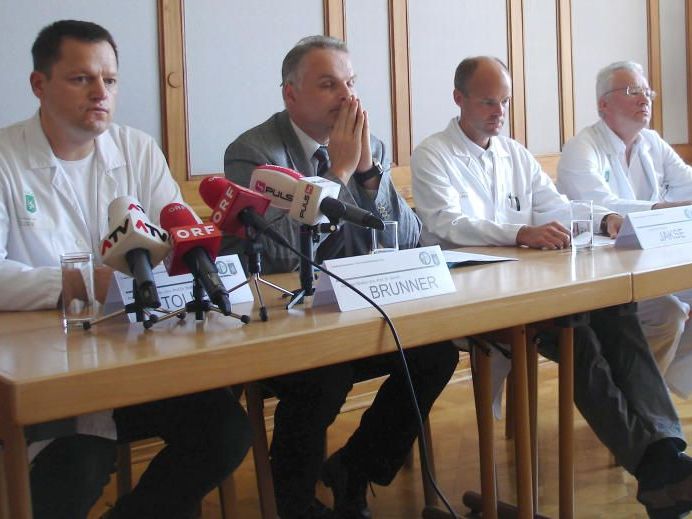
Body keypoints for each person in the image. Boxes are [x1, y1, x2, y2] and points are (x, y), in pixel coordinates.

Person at [410, 55, 692, 518]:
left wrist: (603, 218)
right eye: (487, 101)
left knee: (616, 311)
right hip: (469, 294)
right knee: (573, 332)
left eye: (505, 101)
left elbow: (556, 205)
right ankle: (658, 466)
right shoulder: (433, 153)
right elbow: (446, 224)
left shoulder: (514, 153)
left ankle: (665, 453)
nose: (498, 111)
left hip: (529, 285)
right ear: (458, 99)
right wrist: (519, 232)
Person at [0, 20, 252, 518]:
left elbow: (176, 236)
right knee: (78, 466)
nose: (101, 93)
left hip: (136, 362)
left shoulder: (136, 149)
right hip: (47, 373)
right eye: (81, 79)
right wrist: (76, 281)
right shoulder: (6, 158)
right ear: (39, 85)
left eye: (110, 80)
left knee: (225, 430)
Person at [223, 35, 458, 519]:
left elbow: (407, 236)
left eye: (350, 83)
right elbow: (274, 248)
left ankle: (356, 466)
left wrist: (368, 169)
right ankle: (294, 502)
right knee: (324, 375)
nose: (348, 98)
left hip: (356, 305)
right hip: (288, 319)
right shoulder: (253, 152)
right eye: (329, 85)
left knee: (436, 353)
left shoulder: (366, 145)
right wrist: (341, 169)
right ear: (290, 94)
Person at [557, 60, 692, 398]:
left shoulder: (652, 142)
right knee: (668, 312)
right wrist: (661, 209)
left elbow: (686, 184)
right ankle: (641, 404)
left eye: (648, 92)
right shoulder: (582, 147)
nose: (645, 99)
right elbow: (602, 207)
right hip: (604, 272)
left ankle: (655, 390)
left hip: (654, 261)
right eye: (633, 91)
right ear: (603, 103)